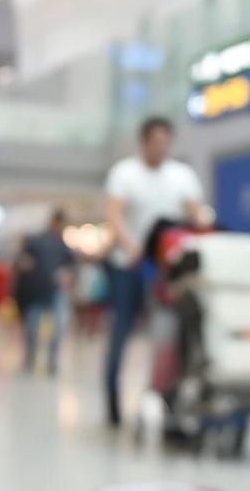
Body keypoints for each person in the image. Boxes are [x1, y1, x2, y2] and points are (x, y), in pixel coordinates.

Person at [103, 116, 204, 427]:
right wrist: (131, 246)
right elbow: (114, 215)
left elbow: (195, 212)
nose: (161, 148)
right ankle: (114, 406)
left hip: (164, 272)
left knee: (170, 335)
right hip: (128, 266)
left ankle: (169, 401)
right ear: (144, 142)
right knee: (121, 331)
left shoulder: (182, 176)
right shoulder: (124, 173)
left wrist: (202, 221)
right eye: (155, 142)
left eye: (166, 142)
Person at [19, 209, 76, 374]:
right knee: (33, 326)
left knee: (56, 328)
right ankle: (31, 357)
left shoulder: (62, 244)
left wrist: (67, 275)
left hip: (54, 291)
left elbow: (70, 266)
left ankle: (50, 360)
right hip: (37, 290)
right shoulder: (36, 240)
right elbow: (23, 260)